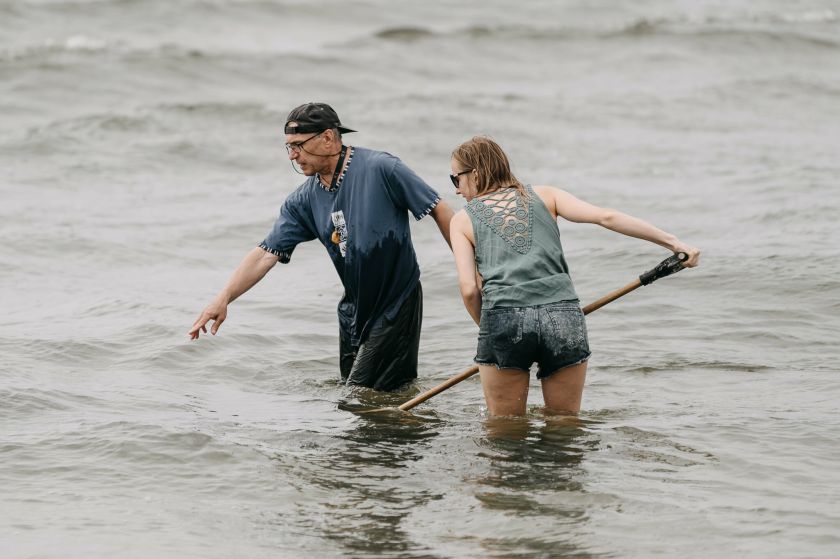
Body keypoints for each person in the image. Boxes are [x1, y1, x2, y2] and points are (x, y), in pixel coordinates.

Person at [189, 102, 454, 391]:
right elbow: (266, 254)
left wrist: (473, 269)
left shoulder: (382, 168)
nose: (292, 155)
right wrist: (224, 297)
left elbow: (438, 208)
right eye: (288, 147)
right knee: (373, 399)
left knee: (358, 395)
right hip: (352, 311)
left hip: (396, 303)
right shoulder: (302, 201)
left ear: (328, 138)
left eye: (298, 145)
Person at [448, 136, 700, 416]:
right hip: (563, 315)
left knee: (505, 431)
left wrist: (490, 331)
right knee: (565, 424)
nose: (457, 190)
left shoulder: (462, 219)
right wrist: (675, 244)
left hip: (503, 319)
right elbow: (605, 217)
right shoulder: (548, 195)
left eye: (455, 179)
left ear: (477, 174)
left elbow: (470, 290)